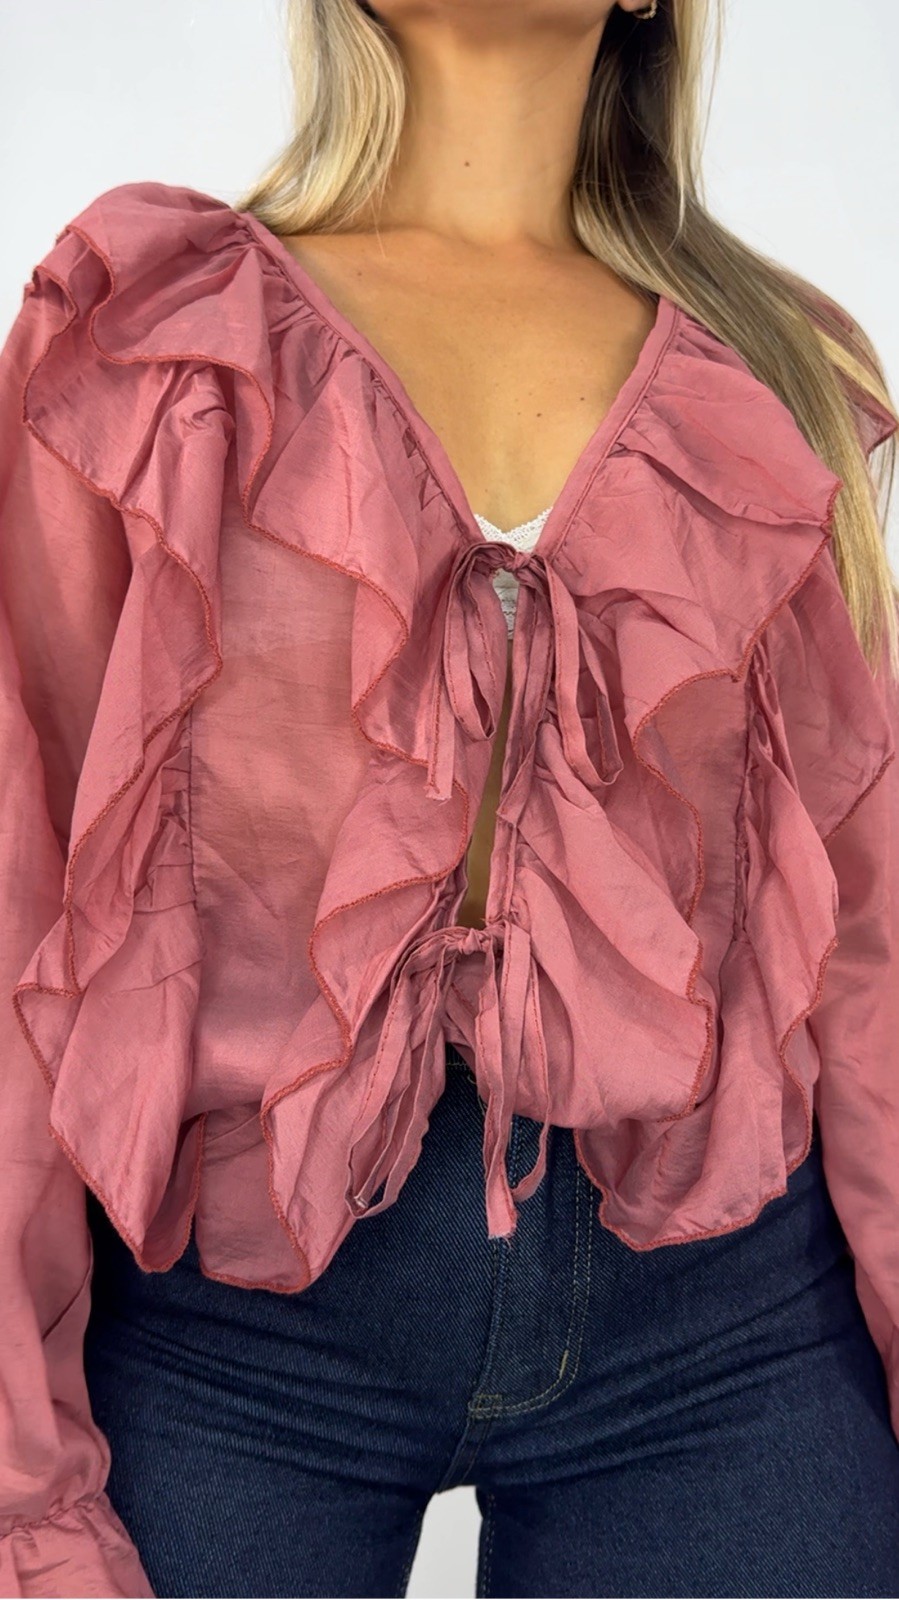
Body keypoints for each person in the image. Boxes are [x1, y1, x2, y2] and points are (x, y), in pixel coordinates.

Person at [2, 1, 899, 1595]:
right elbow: (17, 904)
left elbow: (867, 937)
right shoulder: (159, 336)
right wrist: (25, 1495)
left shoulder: (772, 376)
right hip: (230, 1336)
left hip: (731, 1334)